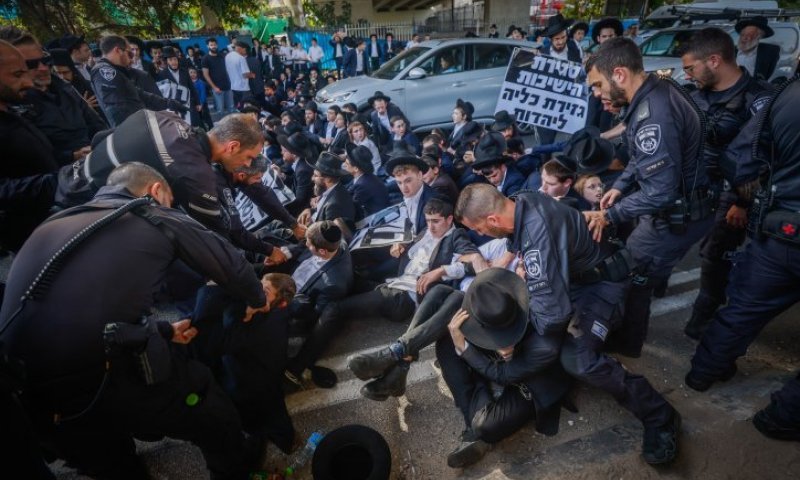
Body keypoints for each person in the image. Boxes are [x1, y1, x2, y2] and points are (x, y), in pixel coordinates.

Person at [0, 162, 269, 479]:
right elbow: (232, 266)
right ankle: (237, 464)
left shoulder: (59, 220)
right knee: (203, 398)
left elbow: (79, 309)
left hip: (28, 391)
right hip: (99, 373)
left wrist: (164, 330)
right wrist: (258, 301)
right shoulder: (150, 212)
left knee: (109, 459)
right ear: (156, 191)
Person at [456, 183, 682, 465]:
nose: (480, 235)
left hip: (602, 286)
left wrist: (514, 337)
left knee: (579, 361)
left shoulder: (535, 231)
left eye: (479, 229)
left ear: (492, 219)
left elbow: (552, 315)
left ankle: (660, 415)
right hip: (577, 277)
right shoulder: (521, 201)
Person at [685, 75, 800, 441]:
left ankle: (702, 373)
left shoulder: (785, 97)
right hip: (780, 225)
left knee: (741, 310)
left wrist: (751, 198)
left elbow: (740, 158)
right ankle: (782, 418)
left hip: (781, 231)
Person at [584, 38, 714, 357]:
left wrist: (608, 216)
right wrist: (621, 184)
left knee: (625, 271)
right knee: (637, 277)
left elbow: (660, 191)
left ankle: (626, 343)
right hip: (679, 208)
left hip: (673, 215)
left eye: (598, 84)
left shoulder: (652, 113)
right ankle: (629, 338)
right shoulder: (655, 90)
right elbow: (642, 157)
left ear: (619, 74)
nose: (596, 94)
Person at [678, 28, 773, 340]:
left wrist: (742, 202)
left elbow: (761, 157)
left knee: (715, 256)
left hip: (730, 193)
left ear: (714, 60)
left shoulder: (759, 99)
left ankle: (704, 319)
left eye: (691, 68)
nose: (687, 75)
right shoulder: (693, 94)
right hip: (688, 188)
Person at [437, 269, 573, 467]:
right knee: (447, 342)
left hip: (532, 383)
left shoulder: (545, 346)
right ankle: (473, 425)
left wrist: (466, 351)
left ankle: (475, 427)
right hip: (505, 358)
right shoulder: (497, 303)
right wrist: (465, 344)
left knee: (485, 426)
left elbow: (503, 375)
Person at [12, 29, 106, 167]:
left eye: (46, 60)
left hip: (96, 159)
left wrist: (103, 144)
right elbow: (31, 158)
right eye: (31, 64)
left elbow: (96, 123)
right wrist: (71, 156)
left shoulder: (65, 88)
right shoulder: (14, 106)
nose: (43, 68)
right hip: (63, 176)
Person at [0, 38, 59, 252]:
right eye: (18, 75)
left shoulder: (13, 112)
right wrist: (56, 181)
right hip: (33, 241)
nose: (28, 82)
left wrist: (71, 159)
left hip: (55, 222)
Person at [283, 221, 354, 388]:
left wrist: (288, 303)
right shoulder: (334, 241)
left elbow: (313, 316)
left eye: (308, 243)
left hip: (293, 302)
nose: (305, 244)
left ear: (321, 251)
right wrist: (288, 252)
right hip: (290, 273)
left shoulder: (334, 284)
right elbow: (305, 245)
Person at [90, 35, 187, 127]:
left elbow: (138, 93)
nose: (132, 58)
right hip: (133, 129)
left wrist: (169, 103)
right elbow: (117, 109)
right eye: (130, 53)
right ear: (118, 50)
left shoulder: (116, 71)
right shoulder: (104, 71)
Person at [297, 152, 356, 231]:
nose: (312, 178)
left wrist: (306, 229)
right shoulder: (331, 190)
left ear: (328, 179)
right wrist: (310, 210)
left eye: (315, 175)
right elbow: (321, 209)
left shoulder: (335, 205)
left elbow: (325, 237)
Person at [470, 131, 525, 197]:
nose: (492, 181)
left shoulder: (515, 182)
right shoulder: (494, 176)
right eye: (488, 178)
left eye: (494, 175)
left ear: (503, 167)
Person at [157, 46, 201, 125]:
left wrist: (198, 102)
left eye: (175, 59)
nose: (174, 62)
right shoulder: (162, 74)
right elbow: (163, 93)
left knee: (194, 125)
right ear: (167, 61)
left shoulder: (184, 71)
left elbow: (191, 87)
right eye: (170, 60)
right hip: (174, 107)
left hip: (188, 104)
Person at [344, 144, 390, 220]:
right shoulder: (363, 177)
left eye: (347, 163)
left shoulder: (363, 184)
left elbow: (351, 207)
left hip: (377, 219)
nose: (344, 164)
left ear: (356, 169)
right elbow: (349, 190)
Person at [277, 131, 315, 216]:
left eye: (284, 151)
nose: (282, 153)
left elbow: (300, 200)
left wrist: (280, 206)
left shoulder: (302, 170)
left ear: (293, 153)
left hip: (303, 211)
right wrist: (282, 176)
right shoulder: (299, 164)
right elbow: (295, 182)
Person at [735, 16, 780, 81]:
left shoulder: (768, 54)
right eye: (743, 34)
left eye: (749, 35)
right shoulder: (730, 51)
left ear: (759, 37)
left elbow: (766, 76)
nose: (744, 38)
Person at [202, 38, 234, 116]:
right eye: (211, 45)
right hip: (217, 88)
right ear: (207, 46)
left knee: (232, 108)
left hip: (228, 86)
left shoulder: (222, 56)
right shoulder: (205, 58)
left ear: (217, 45)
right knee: (220, 110)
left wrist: (231, 83)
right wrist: (214, 87)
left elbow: (228, 70)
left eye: (215, 45)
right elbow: (205, 74)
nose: (213, 46)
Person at [225, 40, 253, 109]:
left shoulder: (227, 56)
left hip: (234, 87)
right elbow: (245, 74)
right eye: (245, 50)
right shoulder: (241, 58)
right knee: (246, 107)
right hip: (243, 88)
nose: (245, 53)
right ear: (241, 48)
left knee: (238, 106)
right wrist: (252, 75)